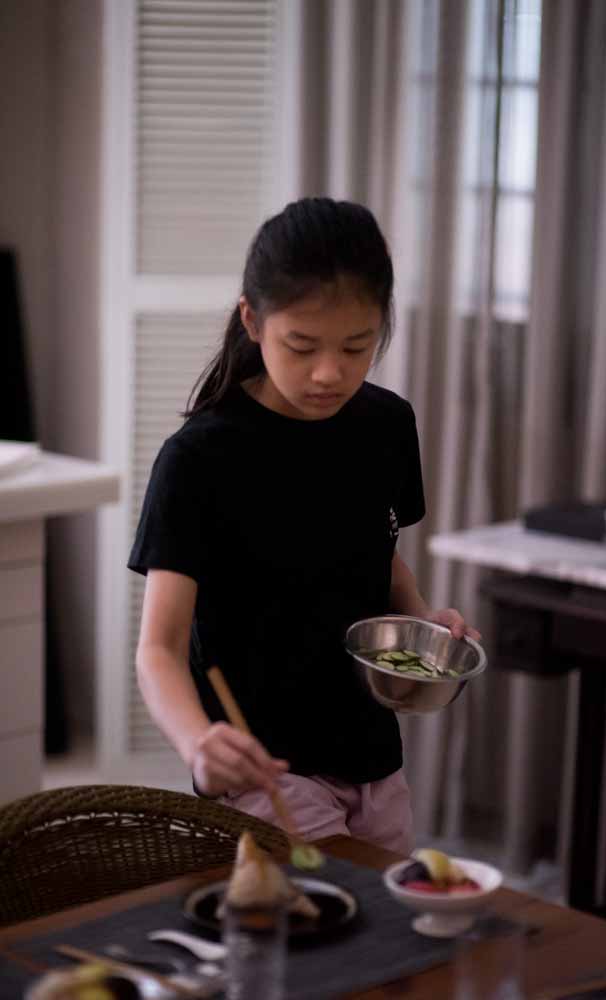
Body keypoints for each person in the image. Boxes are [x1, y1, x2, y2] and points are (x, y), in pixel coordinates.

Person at [129, 197, 480, 854]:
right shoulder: (199, 458)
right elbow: (159, 649)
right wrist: (197, 743)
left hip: (372, 752)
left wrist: (423, 620)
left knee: (382, 914)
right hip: (267, 765)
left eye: (356, 346)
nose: (329, 373)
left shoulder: (387, 425)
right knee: (320, 908)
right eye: (302, 345)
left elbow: (376, 550)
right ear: (252, 320)